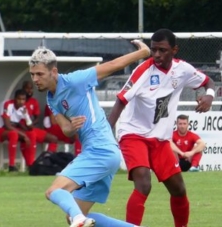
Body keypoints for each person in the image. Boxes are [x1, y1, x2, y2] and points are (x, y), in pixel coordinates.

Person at [29, 39, 150, 227]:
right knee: (74, 214)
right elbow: (66, 130)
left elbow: (111, 66)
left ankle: (79, 220)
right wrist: (72, 125)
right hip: (103, 153)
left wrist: (142, 53)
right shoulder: (51, 99)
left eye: (39, 74)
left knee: (54, 192)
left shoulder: (76, 80)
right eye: (32, 74)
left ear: (53, 72)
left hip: (99, 150)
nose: (35, 79)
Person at [108, 29, 215, 227]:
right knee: (144, 184)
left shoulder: (182, 69)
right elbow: (120, 102)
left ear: (174, 50)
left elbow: (209, 81)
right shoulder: (143, 71)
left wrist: (209, 95)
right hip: (133, 134)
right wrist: (106, 133)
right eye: (153, 49)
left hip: (160, 139)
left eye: (162, 50)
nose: (156, 55)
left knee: (179, 189)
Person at [0, 89, 37, 172]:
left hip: (5, 131)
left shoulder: (23, 108)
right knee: (14, 134)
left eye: (23, 99)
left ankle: (30, 165)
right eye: (19, 99)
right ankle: (11, 166)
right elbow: (7, 125)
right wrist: (23, 135)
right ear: (14, 98)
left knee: (32, 134)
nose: (21, 102)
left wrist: (26, 116)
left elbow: (30, 128)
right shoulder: (8, 104)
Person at [22, 80, 58, 151]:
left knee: (53, 139)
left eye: (31, 88)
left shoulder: (34, 101)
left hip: (30, 128)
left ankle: (48, 158)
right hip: (20, 129)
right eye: (27, 88)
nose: (29, 90)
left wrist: (31, 124)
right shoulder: (18, 102)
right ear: (23, 89)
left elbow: (37, 118)